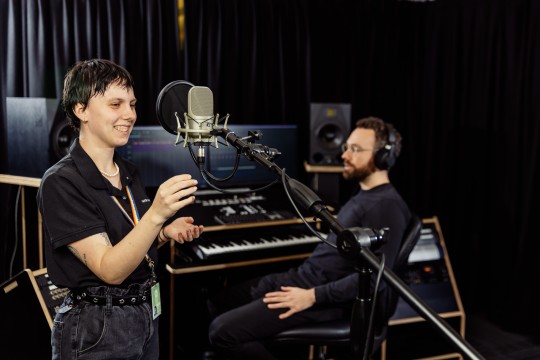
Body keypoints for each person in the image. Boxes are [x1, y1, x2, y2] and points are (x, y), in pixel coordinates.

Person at [37, 59, 204, 359]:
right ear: (81, 110)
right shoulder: (61, 182)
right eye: (116, 104)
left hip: (143, 314)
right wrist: (156, 214)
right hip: (97, 327)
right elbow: (110, 270)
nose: (130, 115)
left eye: (132, 104)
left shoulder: (129, 172)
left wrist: (164, 232)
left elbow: (129, 242)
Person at [207, 116, 411, 359]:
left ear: (382, 157)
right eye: (346, 147)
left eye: (355, 149)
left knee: (222, 332)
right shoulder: (366, 195)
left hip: (325, 298)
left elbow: (379, 278)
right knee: (216, 302)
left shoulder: (387, 206)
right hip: (304, 279)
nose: (344, 155)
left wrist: (312, 297)